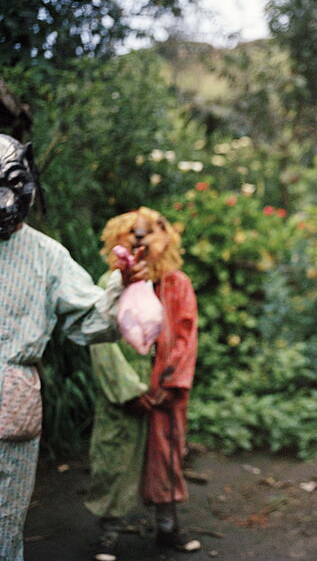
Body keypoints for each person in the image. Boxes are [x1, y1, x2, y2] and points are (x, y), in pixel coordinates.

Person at [0, 134, 144, 561]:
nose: (6, 203)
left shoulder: (47, 256)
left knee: (5, 521)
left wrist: (124, 286)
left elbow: (92, 319)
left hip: (12, 404)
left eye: (13, 185)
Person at [84, 207, 200, 556]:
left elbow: (185, 335)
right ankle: (109, 532)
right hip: (123, 394)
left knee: (166, 457)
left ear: (165, 239)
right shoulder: (111, 285)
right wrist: (128, 390)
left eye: (147, 232)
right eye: (131, 233)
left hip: (164, 392)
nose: (139, 239)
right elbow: (101, 343)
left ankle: (167, 526)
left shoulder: (176, 284)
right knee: (115, 459)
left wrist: (169, 383)